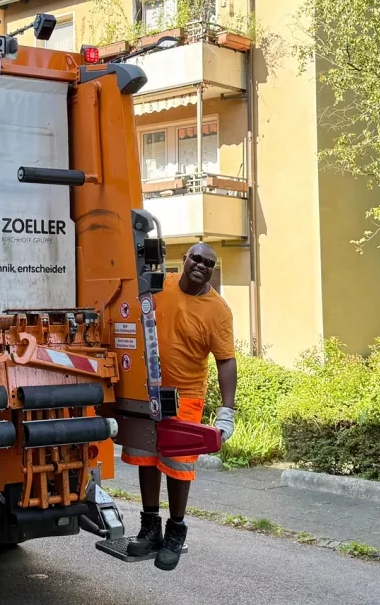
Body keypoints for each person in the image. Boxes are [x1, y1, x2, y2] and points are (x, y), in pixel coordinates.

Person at [119, 242, 238, 571]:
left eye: (209, 263)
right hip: (149, 390)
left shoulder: (218, 311)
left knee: (178, 465)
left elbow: (226, 361)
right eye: (196, 258)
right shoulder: (161, 286)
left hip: (185, 396)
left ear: (212, 271)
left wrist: (227, 412)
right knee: (146, 457)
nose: (202, 265)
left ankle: (175, 533)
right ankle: (150, 528)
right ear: (184, 259)